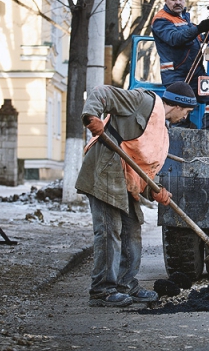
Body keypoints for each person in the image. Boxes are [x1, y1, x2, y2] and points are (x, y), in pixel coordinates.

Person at [75, 81, 197, 307]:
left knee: (132, 231)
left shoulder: (162, 132)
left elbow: (144, 167)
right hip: (106, 172)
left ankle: (126, 285)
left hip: (126, 182)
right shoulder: (144, 101)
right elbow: (102, 92)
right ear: (179, 105)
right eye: (187, 112)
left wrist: (155, 191)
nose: (186, 117)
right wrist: (92, 117)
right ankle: (102, 291)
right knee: (109, 231)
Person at [151, 0, 209, 130]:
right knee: (180, 113)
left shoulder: (184, 19)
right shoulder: (161, 20)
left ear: (185, 0)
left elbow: (192, 40)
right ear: (166, 0)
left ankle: (208, 133)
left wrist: (206, 35)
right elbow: (175, 39)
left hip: (195, 74)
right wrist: (198, 29)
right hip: (176, 76)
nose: (177, 2)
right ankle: (180, 144)